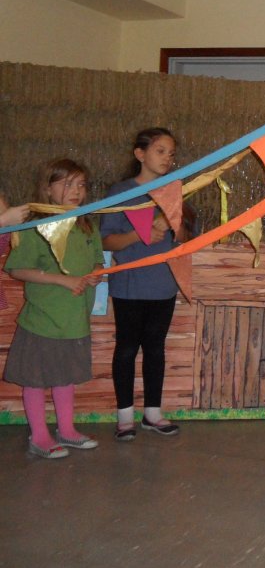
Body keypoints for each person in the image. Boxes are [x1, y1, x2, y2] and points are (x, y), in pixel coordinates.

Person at [3, 159, 103, 459]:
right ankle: (39, 436)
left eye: (81, 184)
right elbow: (17, 269)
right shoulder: (35, 227)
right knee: (35, 379)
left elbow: (97, 260)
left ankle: (67, 430)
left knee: (65, 377)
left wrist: (96, 273)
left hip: (74, 320)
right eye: (67, 184)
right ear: (47, 189)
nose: (76, 191)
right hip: (43, 320)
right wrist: (62, 280)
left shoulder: (87, 225)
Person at [101, 127, 193, 441]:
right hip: (129, 285)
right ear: (140, 154)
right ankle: (124, 417)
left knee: (155, 349)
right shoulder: (120, 191)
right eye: (160, 151)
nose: (167, 158)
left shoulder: (174, 190)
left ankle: (152, 413)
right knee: (126, 349)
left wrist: (174, 226)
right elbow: (107, 240)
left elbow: (184, 239)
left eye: (171, 153)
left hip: (163, 284)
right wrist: (139, 235)